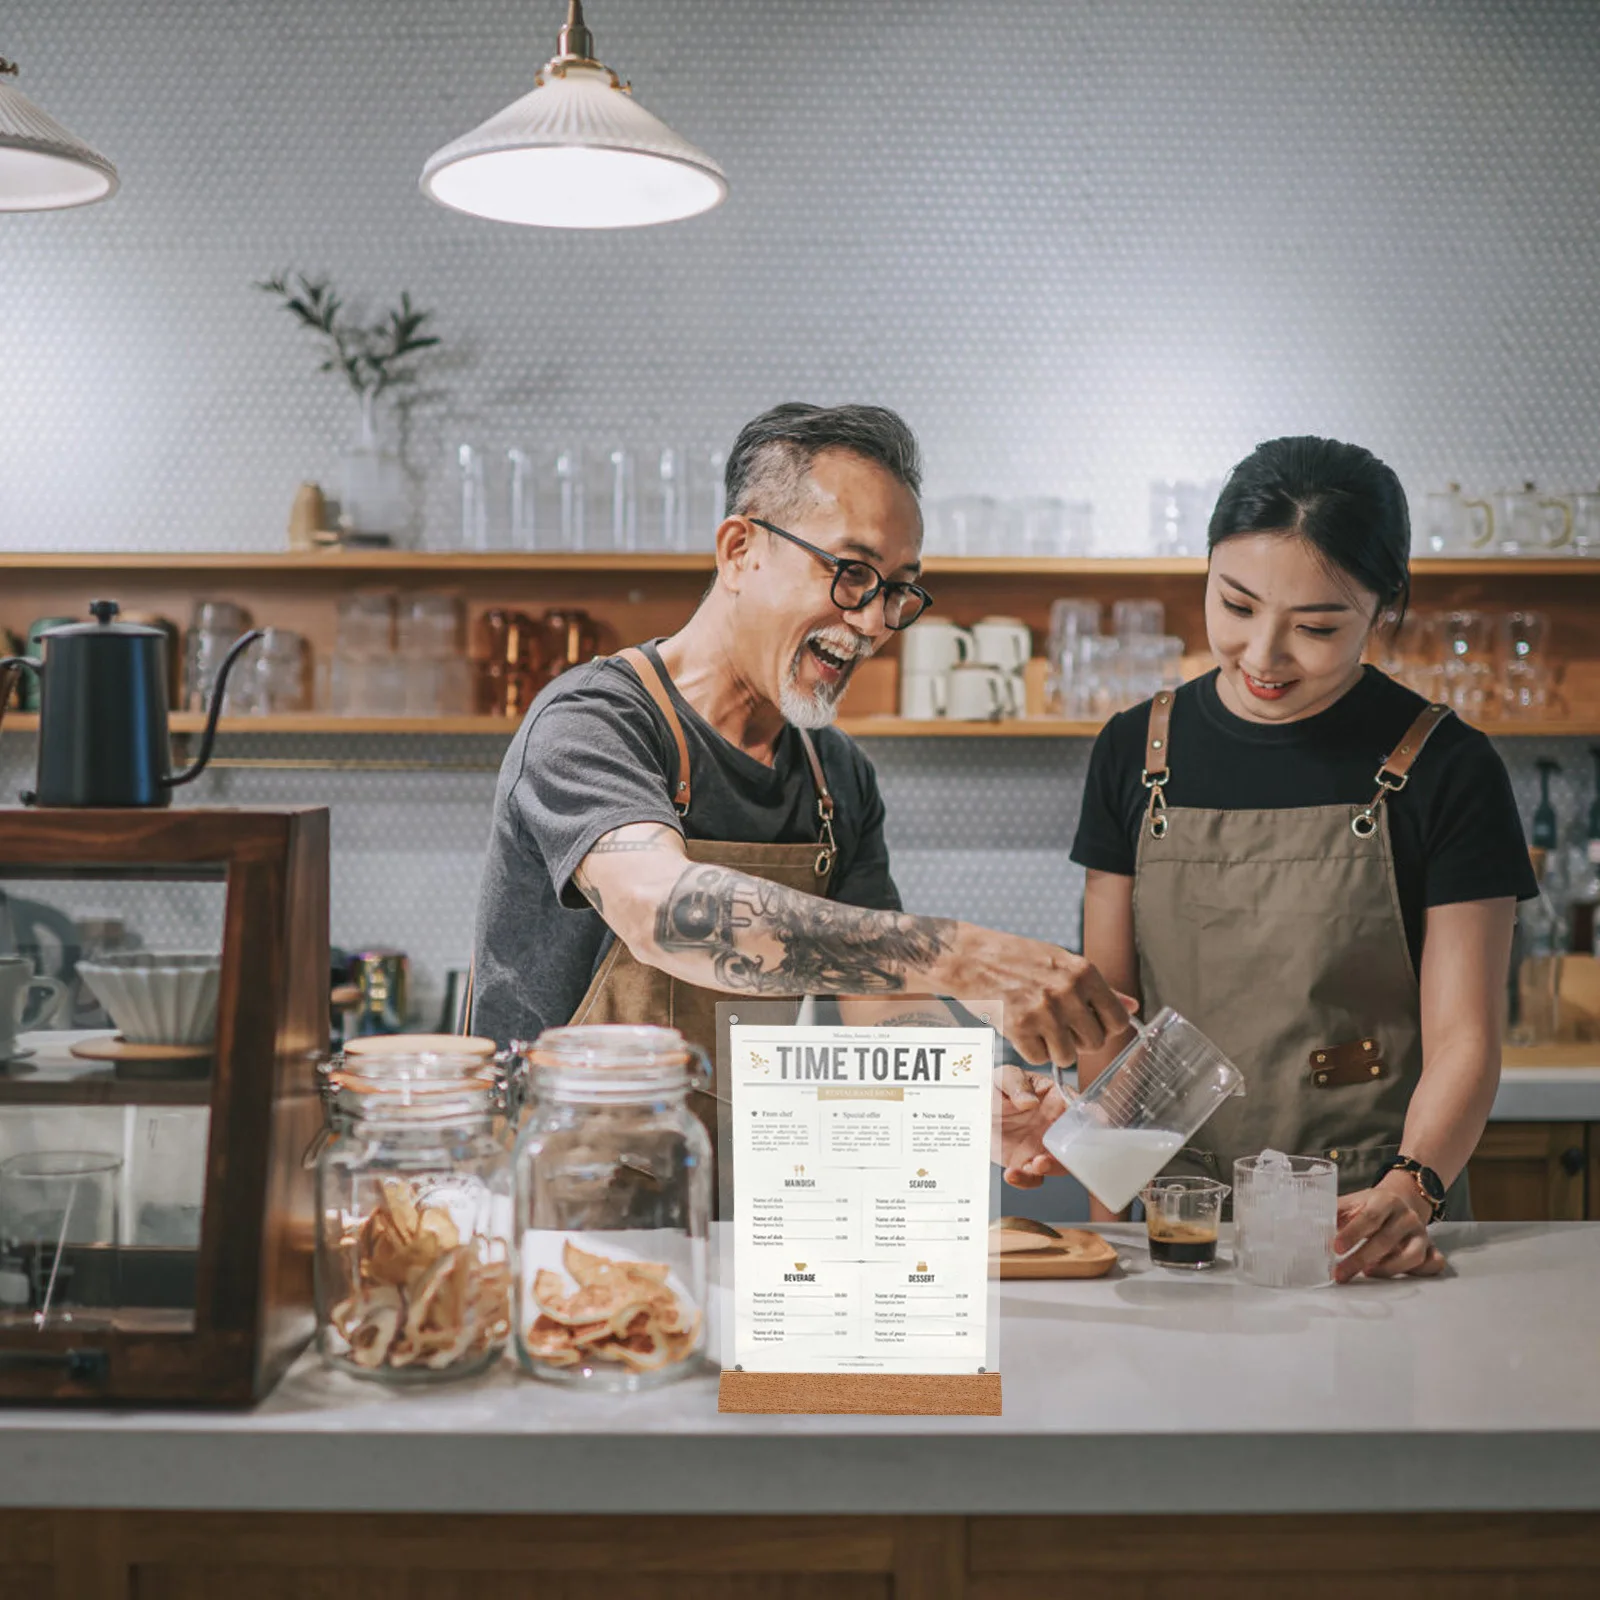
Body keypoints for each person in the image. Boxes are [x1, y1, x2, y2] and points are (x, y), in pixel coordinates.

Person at [472, 402, 1130, 1161]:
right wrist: (955, 952)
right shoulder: (594, 721)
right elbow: (663, 910)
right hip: (546, 1196)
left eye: (897, 590)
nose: (877, 621)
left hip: (709, 1201)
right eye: (851, 574)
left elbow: (884, 1004)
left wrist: (972, 1105)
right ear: (739, 550)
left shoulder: (835, 778)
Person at [1001, 436, 1536, 1281]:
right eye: (1237, 605)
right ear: (1207, 569)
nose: (1262, 655)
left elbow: (1466, 1035)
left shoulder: (1447, 766)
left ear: (1383, 609)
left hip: (1365, 1221)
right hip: (1177, 1218)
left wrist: (1415, 1188)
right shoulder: (1134, 750)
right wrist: (1113, 1217)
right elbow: (1110, 1018)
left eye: (1317, 627)